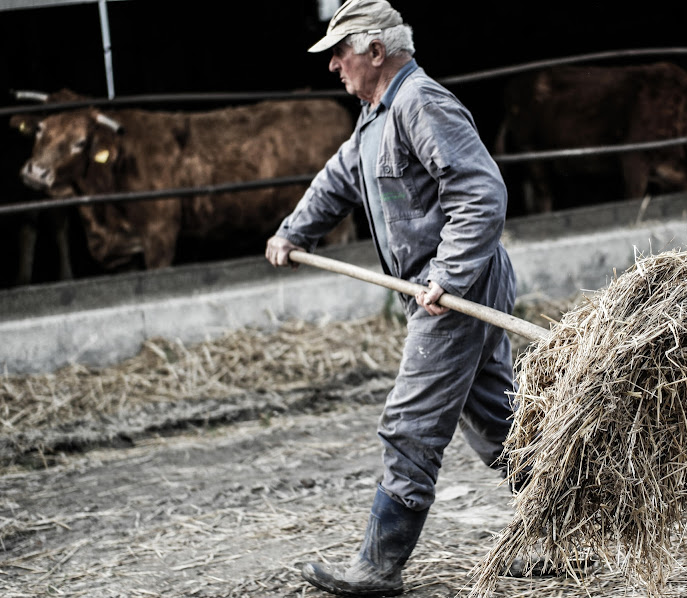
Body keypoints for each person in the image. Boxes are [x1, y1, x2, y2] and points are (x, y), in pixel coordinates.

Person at [265, 0, 517, 594]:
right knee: (498, 422)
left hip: (454, 291)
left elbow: (480, 193)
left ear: (376, 52)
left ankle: (378, 567)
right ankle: (570, 529)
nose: (333, 66)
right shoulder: (378, 113)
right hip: (438, 287)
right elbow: (339, 178)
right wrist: (292, 232)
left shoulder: (421, 103)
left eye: (340, 52)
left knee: (409, 424)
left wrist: (449, 276)